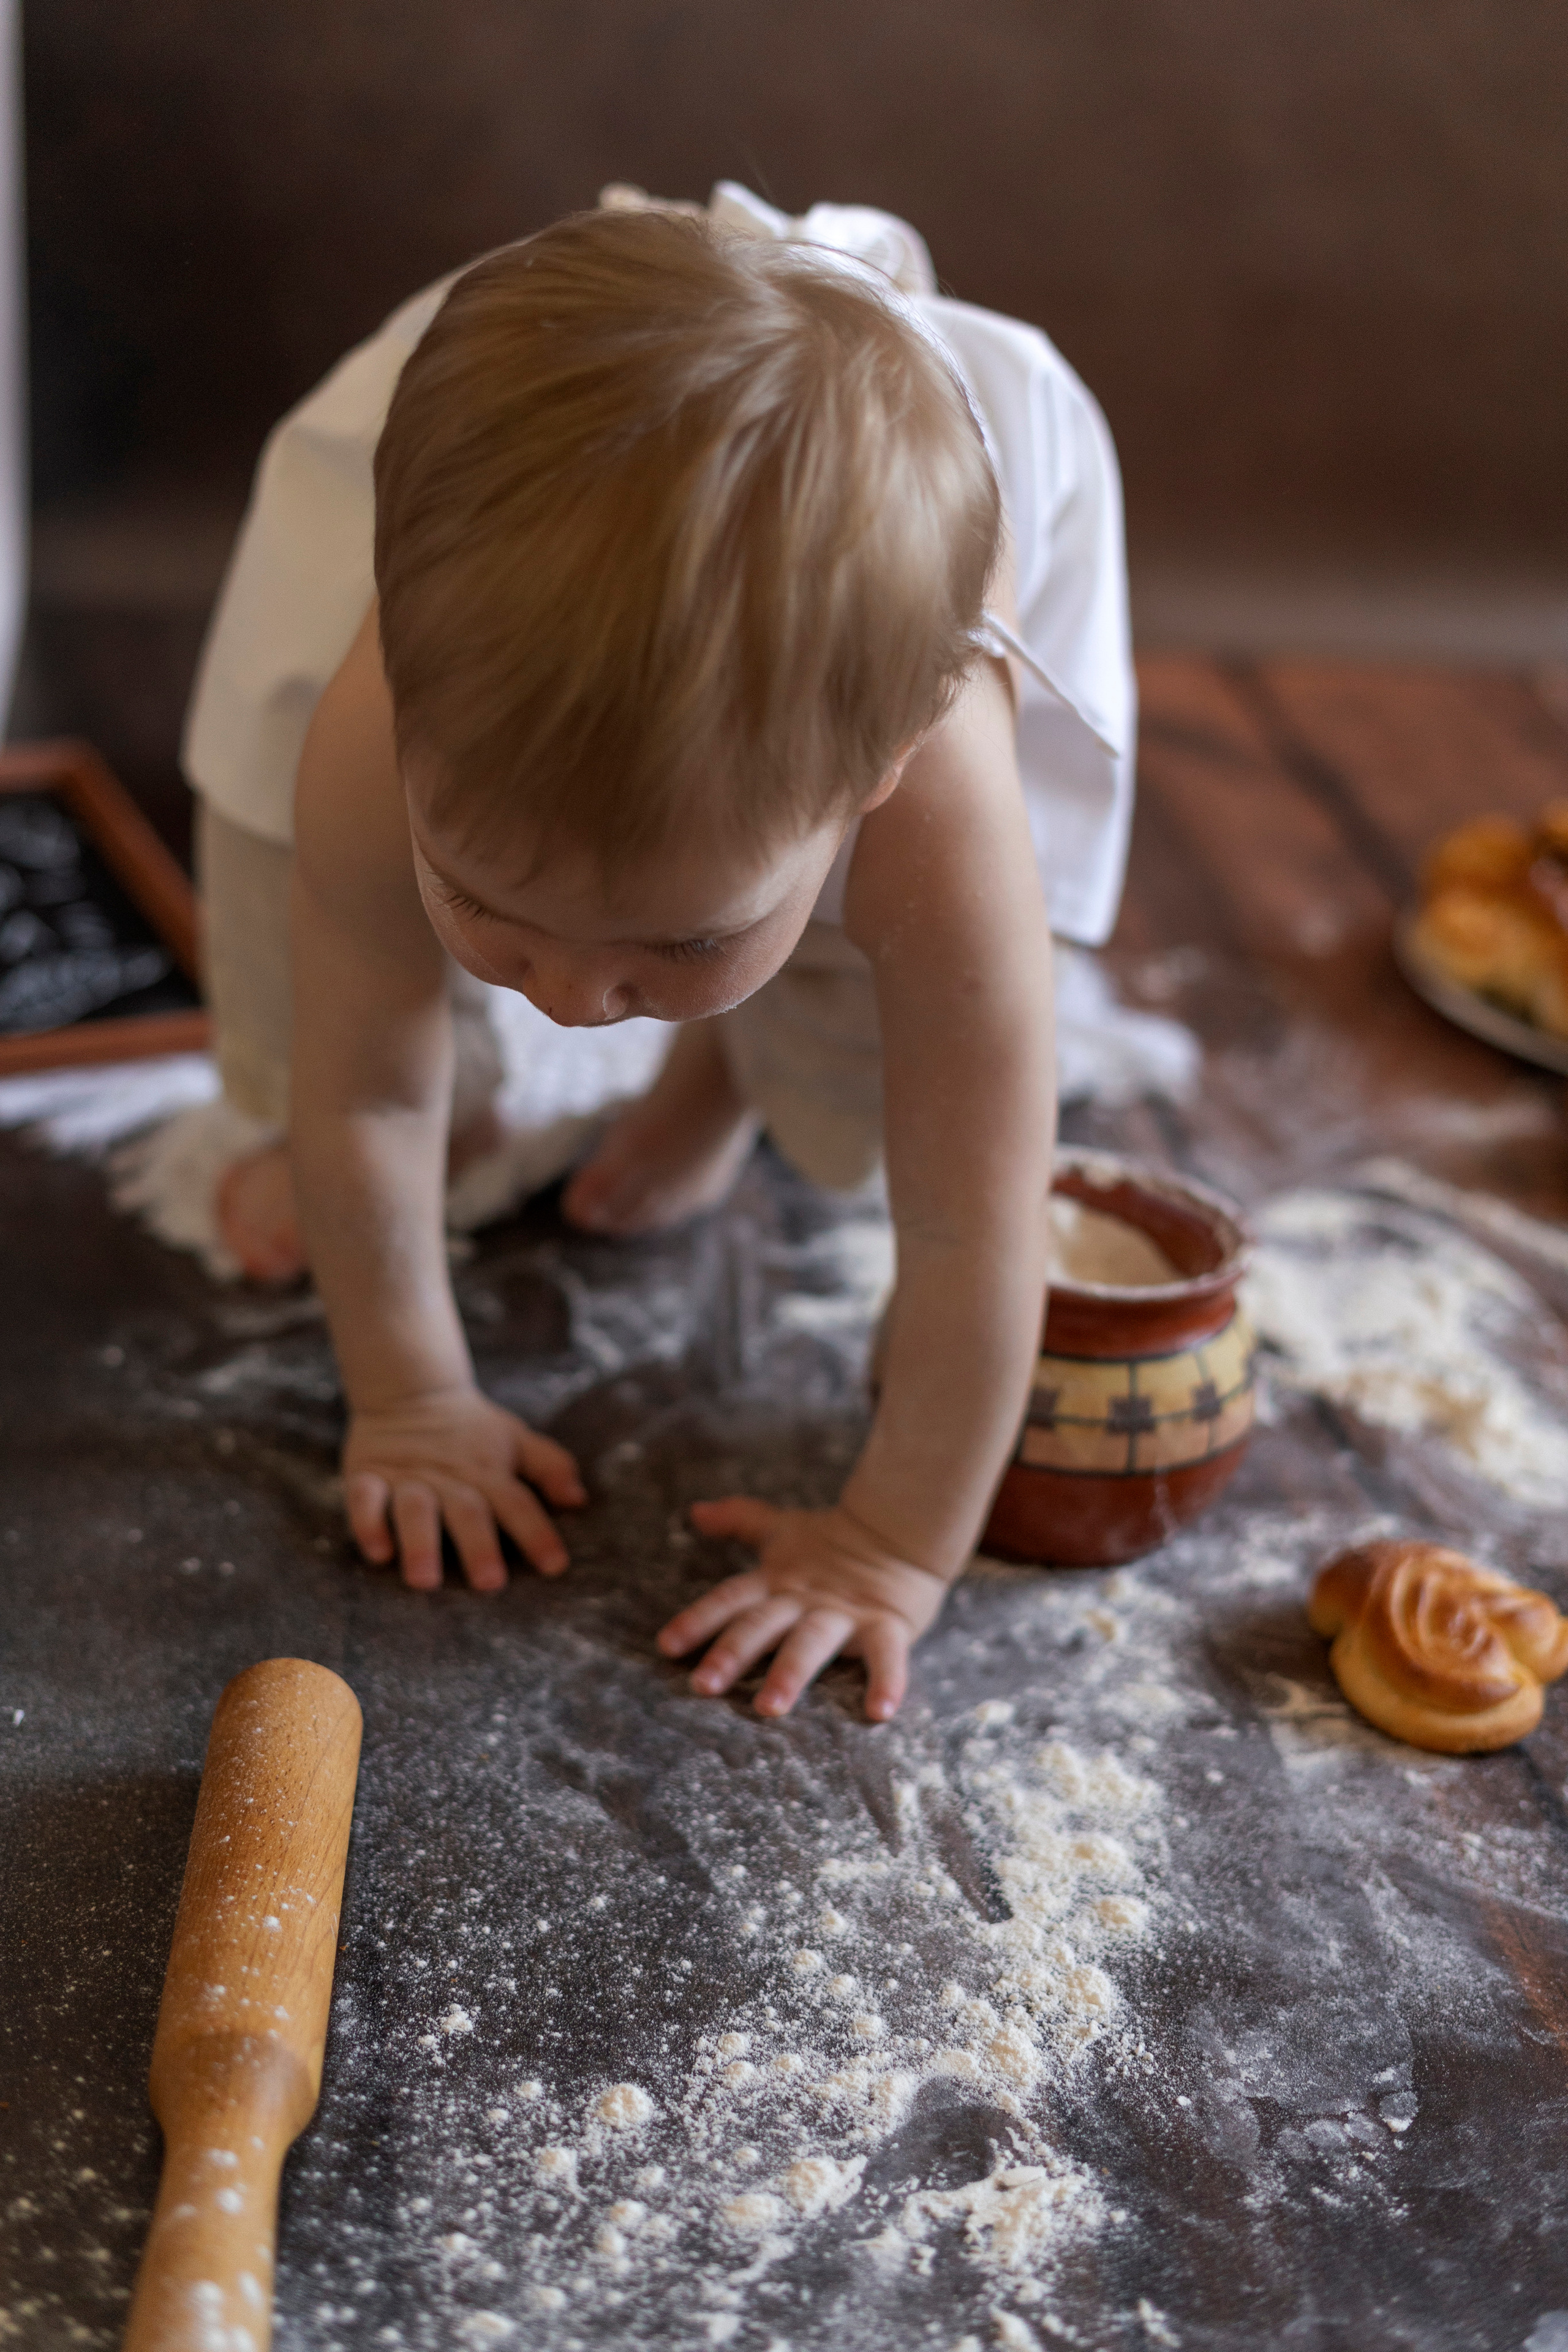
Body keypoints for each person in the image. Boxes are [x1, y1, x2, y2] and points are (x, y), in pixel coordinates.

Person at [181, 184, 1135, 1722]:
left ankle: (723, 1076)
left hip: (895, 648)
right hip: (527, 459)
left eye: (675, 939)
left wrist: (888, 1547)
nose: (567, 1000)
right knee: (304, 925)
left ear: (872, 780)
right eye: (487, 897)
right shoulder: (379, 711)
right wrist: (413, 1401)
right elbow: (359, 1088)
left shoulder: (939, 795)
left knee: (854, 1074)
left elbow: (976, 1227)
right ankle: (639, 953)